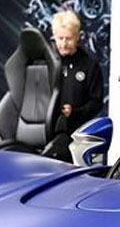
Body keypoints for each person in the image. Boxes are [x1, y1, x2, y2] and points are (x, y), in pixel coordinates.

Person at [42, 9, 103, 162]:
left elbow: (96, 102)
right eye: (60, 38)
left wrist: (75, 112)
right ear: (54, 37)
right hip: (44, 131)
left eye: (68, 38)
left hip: (76, 134)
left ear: (77, 37)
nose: (63, 43)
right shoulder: (45, 63)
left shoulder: (89, 65)